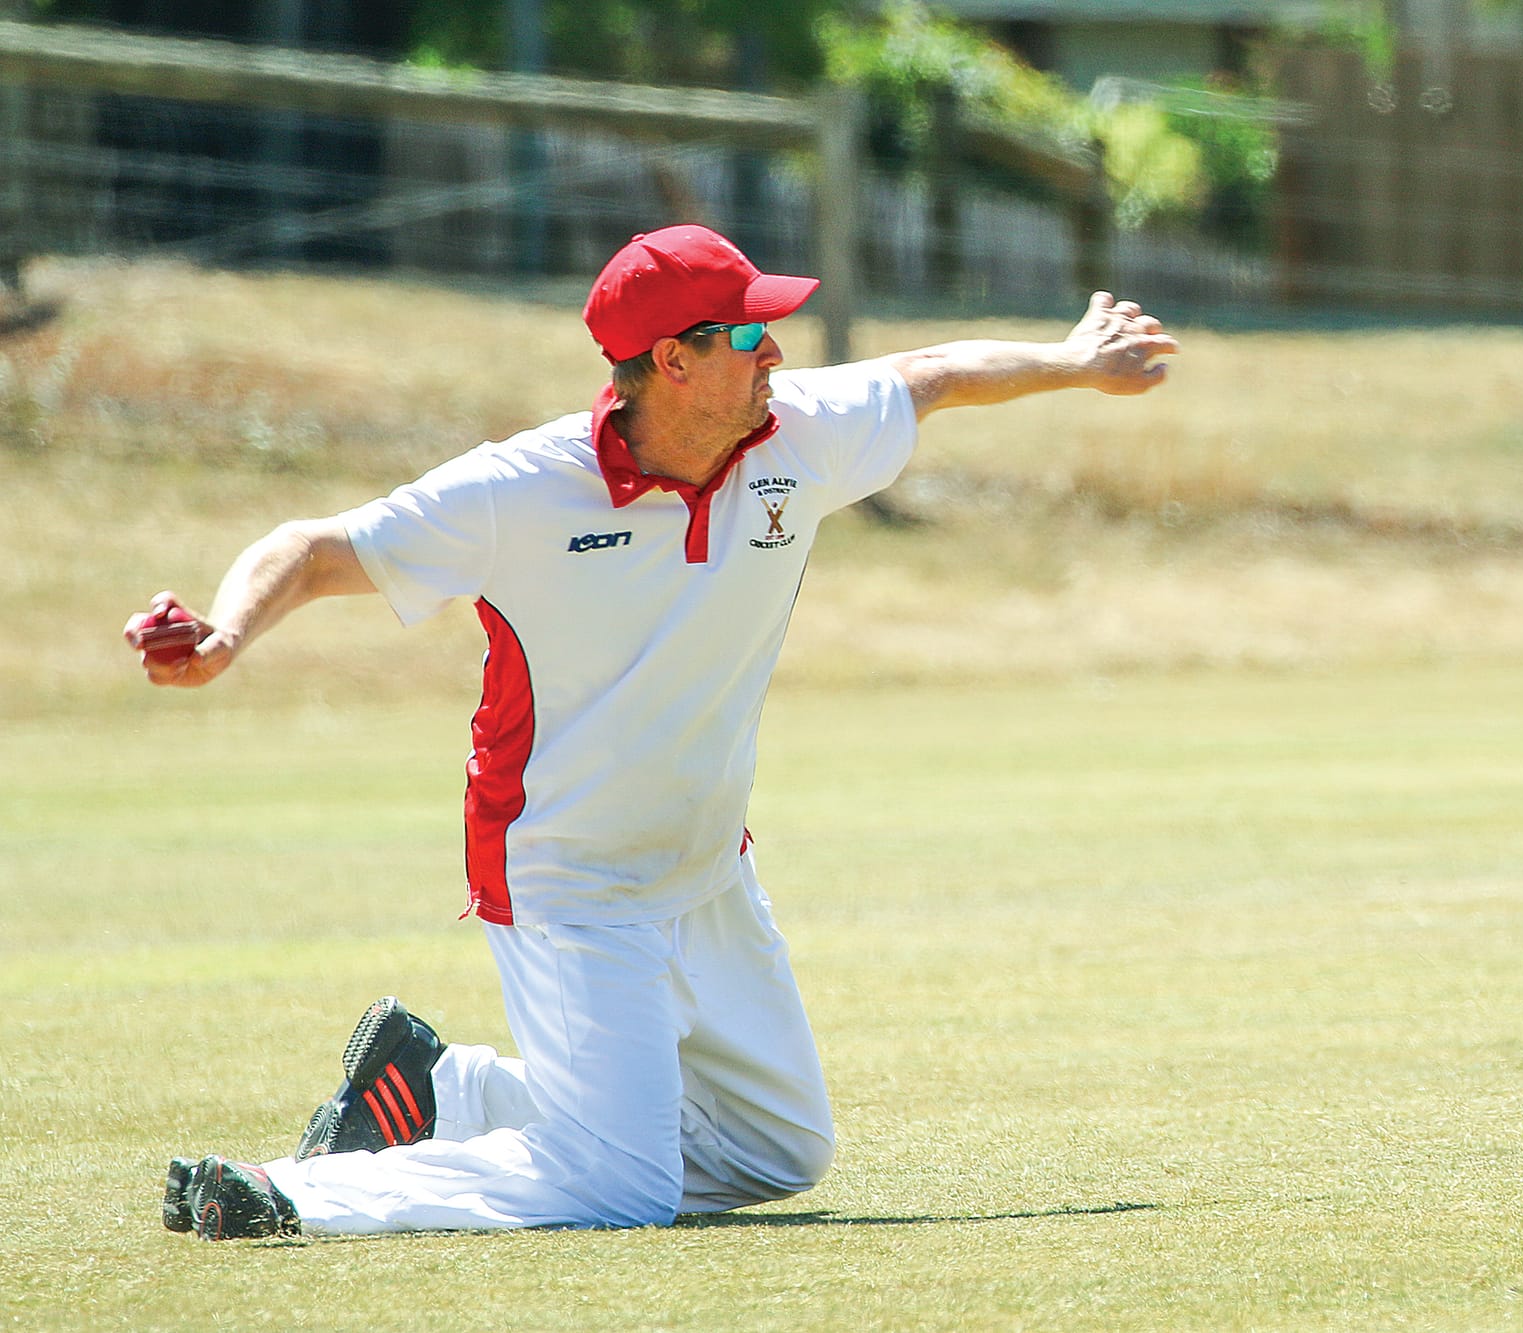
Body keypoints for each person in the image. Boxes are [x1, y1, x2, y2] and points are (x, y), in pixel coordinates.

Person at [128, 224, 1178, 1241]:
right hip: (566, 872)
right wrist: (224, 637)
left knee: (777, 1150)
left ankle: (443, 1087)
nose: (774, 350)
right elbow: (311, 548)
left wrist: (1076, 362)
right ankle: (288, 1195)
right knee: (621, 1184)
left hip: (706, 862)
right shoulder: (520, 490)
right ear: (671, 359)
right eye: (744, 333)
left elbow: (935, 372)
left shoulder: (797, 433)